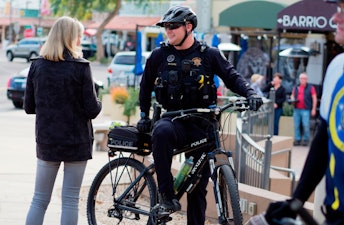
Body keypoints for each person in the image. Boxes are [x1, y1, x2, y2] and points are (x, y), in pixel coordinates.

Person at [136, 5, 263, 225]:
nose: (169, 31)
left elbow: (232, 77)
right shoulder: (160, 55)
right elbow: (145, 86)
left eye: (173, 26)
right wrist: (144, 115)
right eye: (166, 27)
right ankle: (166, 196)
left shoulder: (209, 54)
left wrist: (250, 93)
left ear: (188, 27)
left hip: (203, 125)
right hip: (174, 120)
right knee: (162, 132)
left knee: (198, 189)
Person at [263, 0, 344, 224]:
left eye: (343, 11)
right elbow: (323, 141)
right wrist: (296, 200)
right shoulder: (337, 68)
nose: (336, 18)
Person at [23, 16, 102, 225]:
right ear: (71, 38)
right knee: (70, 201)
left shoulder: (37, 66)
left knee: (39, 200)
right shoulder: (81, 67)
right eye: (78, 36)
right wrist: (99, 98)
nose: (80, 40)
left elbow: (29, 107)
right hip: (76, 142)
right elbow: (92, 110)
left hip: (48, 141)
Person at [290, 72, 317, 146]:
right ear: (299, 79)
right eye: (301, 78)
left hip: (306, 109)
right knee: (296, 125)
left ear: (307, 79)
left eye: (304, 78)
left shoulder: (311, 87)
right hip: (297, 109)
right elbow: (292, 95)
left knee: (306, 125)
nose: (302, 80)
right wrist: (292, 99)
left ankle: (306, 139)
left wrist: (313, 109)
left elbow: (314, 98)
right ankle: (297, 139)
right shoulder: (296, 87)